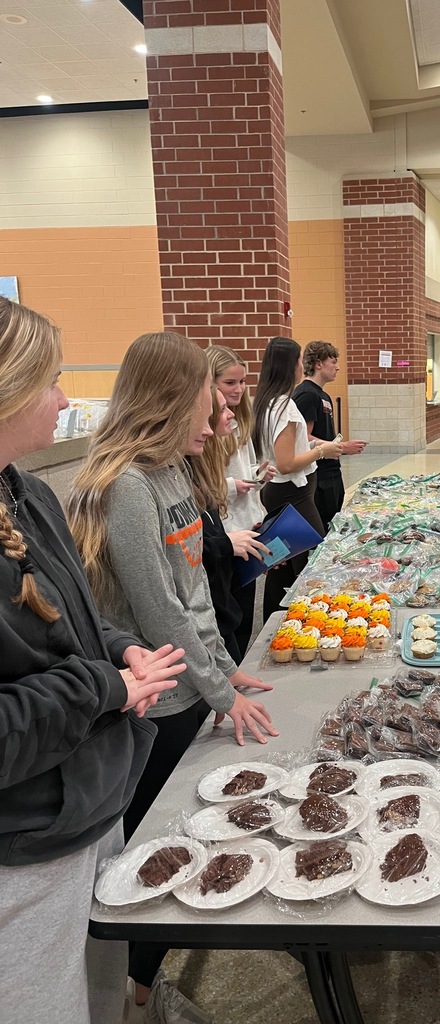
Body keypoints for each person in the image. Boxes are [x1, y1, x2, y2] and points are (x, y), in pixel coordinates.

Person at [68, 332, 279, 1016]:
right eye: (208, 395)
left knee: (187, 831)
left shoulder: (174, 474)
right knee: (154, 844)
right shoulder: (129, 485)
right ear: (169, 398)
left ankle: (145, 981)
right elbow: (159, 610)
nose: (219, 411)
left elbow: (196, 595)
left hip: (192, 688)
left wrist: (226, 674)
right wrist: (218, 689)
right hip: (155, 703)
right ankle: (134, 991)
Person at [0, 297, 185, 1024]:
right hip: (28, 841)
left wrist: (118, 649)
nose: (65, 399)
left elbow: (76, 620)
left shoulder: (31, 494)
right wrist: (105, 685)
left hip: (94, 802)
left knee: (103, 987)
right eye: (51, 382)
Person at [253, 337, 342, 619]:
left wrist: (314, 447)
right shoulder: (285, 408)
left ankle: (275, 619)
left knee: (282, 564)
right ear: (291, 366)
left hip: (280, 492)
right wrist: (322, 451)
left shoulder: (266, 403)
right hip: (292, 494)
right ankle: (306, 622)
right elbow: (287, 462)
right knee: (309, 564)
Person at [188, 387, 271, 663]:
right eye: (220, 409)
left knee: (240, 624)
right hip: (218, 572)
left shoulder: (205, 457)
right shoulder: (187, 467)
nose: (230, 414)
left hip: (230, 550)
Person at [206, 345, 272, 655]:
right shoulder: (206, 429)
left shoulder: (239, 421)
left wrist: (258, 476)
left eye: (243, 382)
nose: (238, 390)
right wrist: (234, 486)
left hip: (247, 524)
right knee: (230, 617)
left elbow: (241, 470)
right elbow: (204, 486)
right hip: (225, 532)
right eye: (230, 383)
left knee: (245, 613)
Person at [293, 340, 366, 530]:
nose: (338, 367)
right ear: (318, 363)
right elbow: (302, 438)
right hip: (318, 477)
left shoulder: (322, 395)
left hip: (331, 473)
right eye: (333, 361)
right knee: (322, 528)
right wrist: (342, 447)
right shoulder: (307, 394)